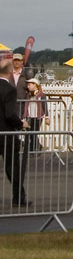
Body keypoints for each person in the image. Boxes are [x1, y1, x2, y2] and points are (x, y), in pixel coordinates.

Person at [0, 58, 30, 206]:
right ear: (11, 72)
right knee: (13, 168)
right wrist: (21, 124)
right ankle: (18, 197)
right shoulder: (9, 90)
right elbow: (9, 114)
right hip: (6, 133)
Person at [21, 78, 49, 153]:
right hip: (29, 116)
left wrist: (47, 116)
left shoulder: (41, 95)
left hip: (37, 116)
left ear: (35, 85)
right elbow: (25, 105)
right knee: (29, 132)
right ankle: (32, 148)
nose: (28, 86)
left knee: (34, 132)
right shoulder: (28, 95)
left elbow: (44, 105)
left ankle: (35, 148)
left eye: (30, 84)